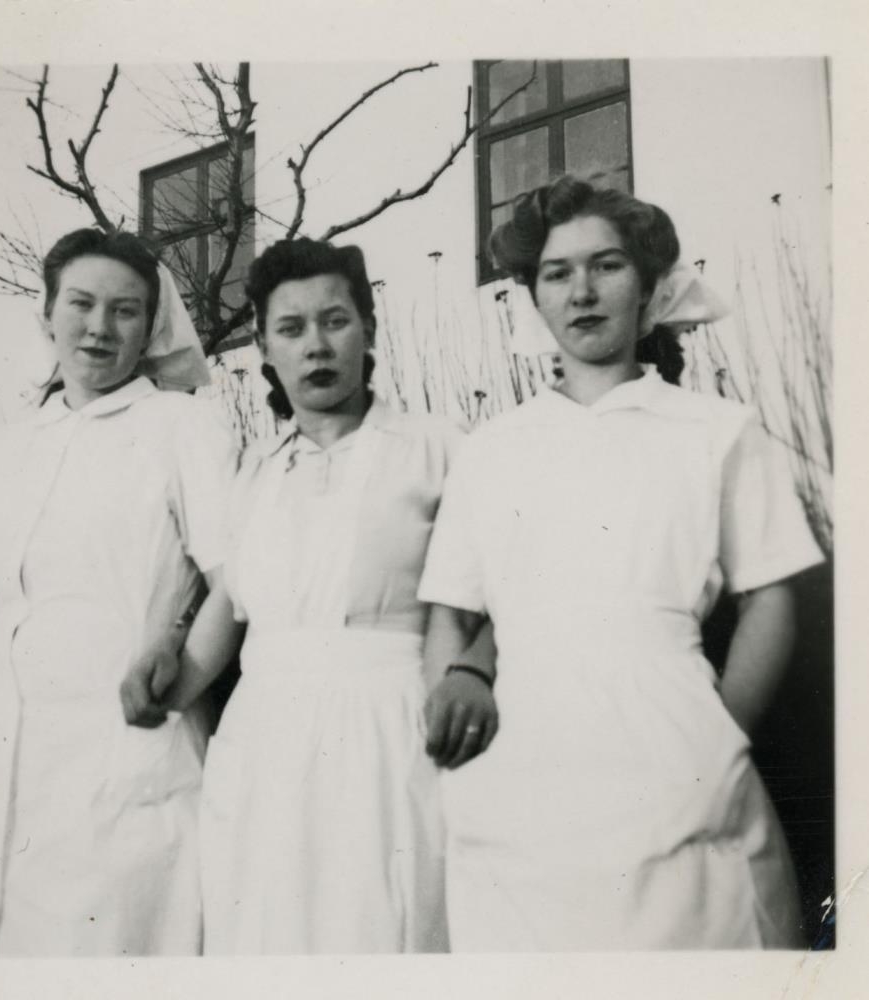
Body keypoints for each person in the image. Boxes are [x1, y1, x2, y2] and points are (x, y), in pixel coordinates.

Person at [418, 176, 825, 950]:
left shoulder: (718, 431)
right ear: (534, 296)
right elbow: (451, 611)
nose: (582, 292)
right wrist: (454, 735)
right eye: (557, 273)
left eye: (606, 266)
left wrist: (721, 736)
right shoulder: (492, 449)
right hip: (520, 772)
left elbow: (771, 596)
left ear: (647, 285)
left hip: (674, 749)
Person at [122, 237, 494, 953]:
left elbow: (506, 588)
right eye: (291, 329)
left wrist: (473, 670)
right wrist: (172, 678)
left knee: (387, 928)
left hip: (394, 728)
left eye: (335, 321)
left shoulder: (441, 446)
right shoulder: (255, 471)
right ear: (264, 348)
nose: (316, 346)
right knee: (267, 934)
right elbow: (229, 607)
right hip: (265, 742)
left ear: (369, 330)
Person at [0, 228, 238, 957]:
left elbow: (235, 582)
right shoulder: (10, 447)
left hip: (124, 745)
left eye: (125, 310)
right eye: (81, 303)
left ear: (151, 325)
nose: (100, 327)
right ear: (46, 313)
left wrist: (178, 686)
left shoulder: (184, 427)